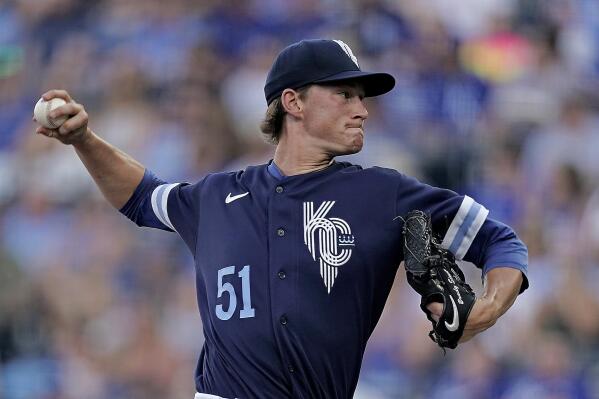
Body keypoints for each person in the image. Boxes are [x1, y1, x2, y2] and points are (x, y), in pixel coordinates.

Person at [35, 39, 528, 399]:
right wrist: (84, 140)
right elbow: (142, 197)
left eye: (363, 98)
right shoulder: (217, 196)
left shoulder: (383, 193)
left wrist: (487, 308)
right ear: (293, 102)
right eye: (345, 95)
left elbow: (499, 241)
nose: (362, 110)